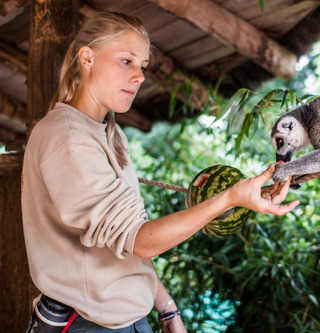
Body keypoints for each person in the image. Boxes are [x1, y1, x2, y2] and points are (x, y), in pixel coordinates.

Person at [21, 11, 299, 333]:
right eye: (127, 61)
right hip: (90, 324)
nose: (139, 76)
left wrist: (165, 307)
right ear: (87, 57)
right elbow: (140, 241)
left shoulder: (110, 133)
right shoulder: (67, 137)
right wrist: (227, 199)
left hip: (129, 319)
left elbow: (126, 241)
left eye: (142, 66)